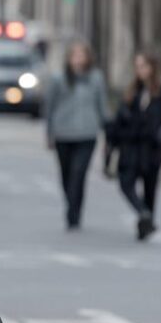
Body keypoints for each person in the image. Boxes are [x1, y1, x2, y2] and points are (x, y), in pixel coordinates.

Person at [105, 51, 161, 240]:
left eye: (143, 66)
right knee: (125, 183)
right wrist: (110, 148)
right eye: (137, 66)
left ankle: (146, 224)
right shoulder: (131, 92)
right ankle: (143, 213)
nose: (139, 70)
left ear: (152, 68)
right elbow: (118, 122)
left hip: (151, 148)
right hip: (130, 147)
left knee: (150, 188)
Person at [45, 41, 110, 230]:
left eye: (82, 55)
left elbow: (102, 106)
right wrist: (49, 132)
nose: (78, 59)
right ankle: (70, 202)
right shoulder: (59, 79)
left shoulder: (96, 79)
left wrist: (108, 133)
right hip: (63, 134)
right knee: (66, 174)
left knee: (79, 173)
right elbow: (50, 107)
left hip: (87, 134)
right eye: (74, 55)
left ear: (88, 58)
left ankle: (74, 211)